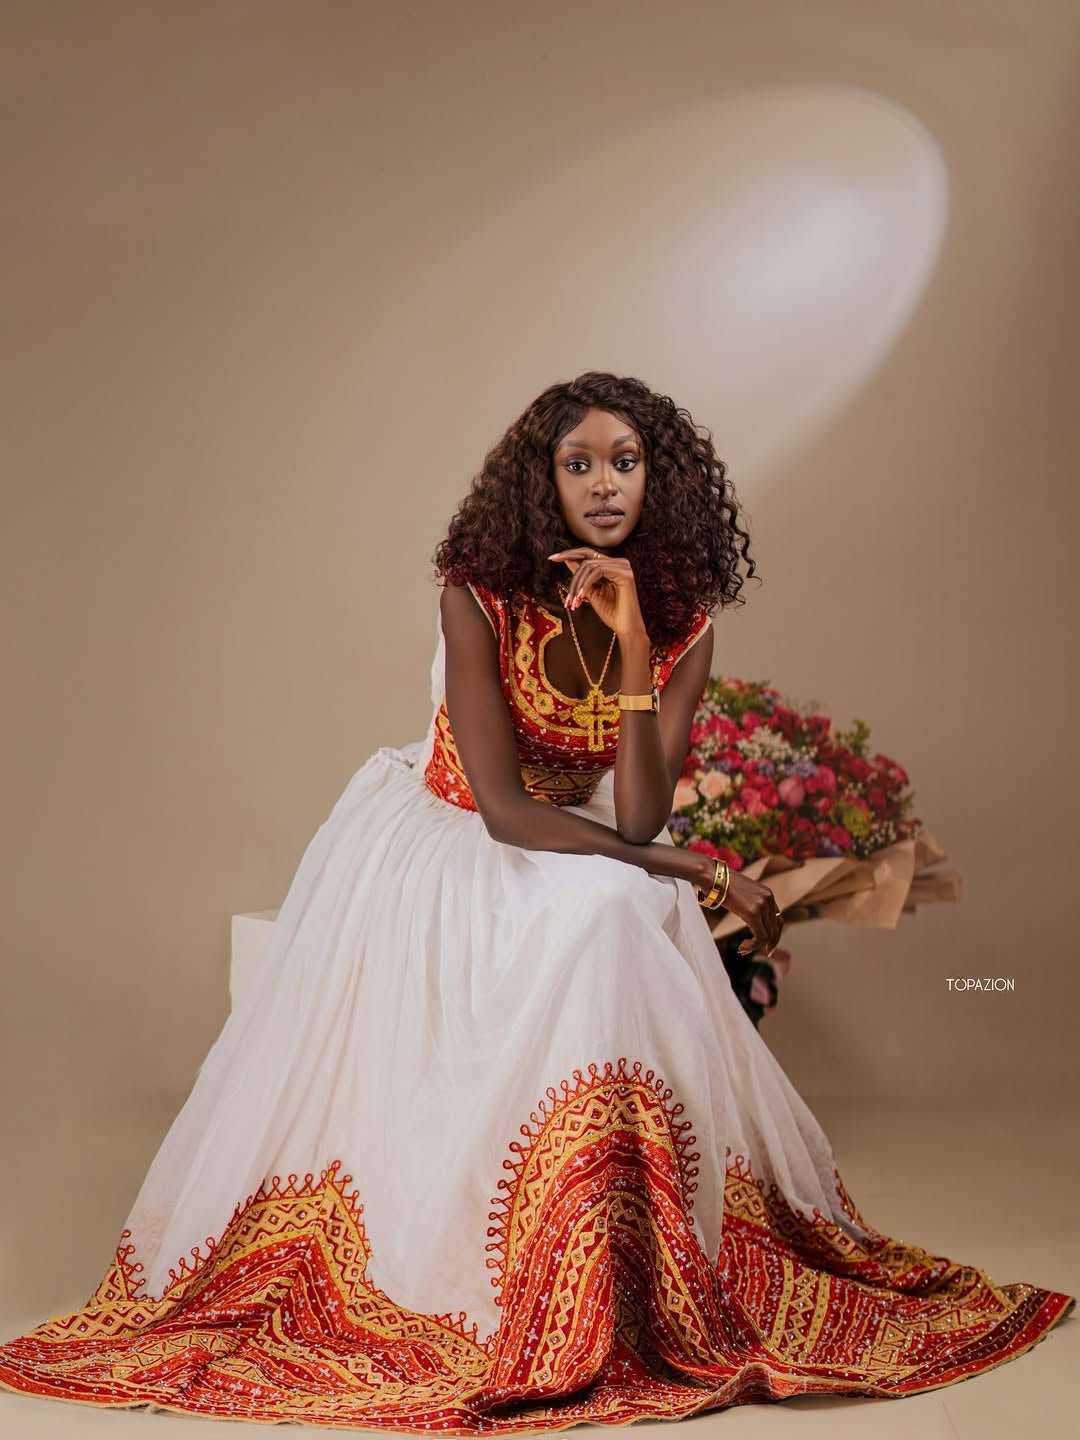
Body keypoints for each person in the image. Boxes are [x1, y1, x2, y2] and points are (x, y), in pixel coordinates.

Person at [0, 371, 1072, 1430]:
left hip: (592, 835)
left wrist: (641, 651)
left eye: (625, 461)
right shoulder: (477, 594)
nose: (604, 484)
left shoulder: (683, 622)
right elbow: (508, 810)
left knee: (609, 905)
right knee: (609, 908)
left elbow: (641, 814)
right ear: (540, 482)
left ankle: (610, 1272)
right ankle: (539, 1273)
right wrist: (697, 872)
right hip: (448, 836)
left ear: (660, 477)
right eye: (578, 464)